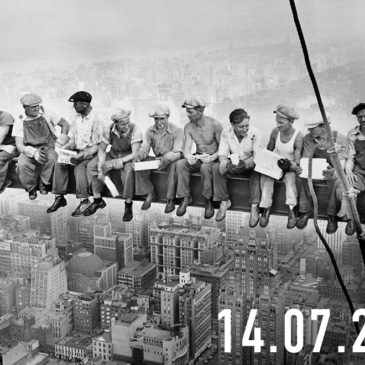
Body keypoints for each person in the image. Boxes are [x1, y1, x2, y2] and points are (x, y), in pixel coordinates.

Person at [47, 91, 104, 216]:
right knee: (60, 162)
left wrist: (84, 154)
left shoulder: (97, 119)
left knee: (79, 167)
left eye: (76, 104)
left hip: (91, 153)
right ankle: (59, 197)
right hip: (78, 151)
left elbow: (98, 145)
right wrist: (67, 148)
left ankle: (84, 201)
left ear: (84, 104)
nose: (74, 107)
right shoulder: (76, 118)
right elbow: (73, 139)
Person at [86, 107, 143, 221]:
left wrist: (115, 163)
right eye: (122, 124)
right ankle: (98, 199)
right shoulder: (109, 129)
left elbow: (134, 153)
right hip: (113, 153)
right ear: (115, 123)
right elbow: (102, 149)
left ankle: (128, 204)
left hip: (127, 157)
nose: (126, 126)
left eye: (127, 123)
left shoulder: (135, 129)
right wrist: (101, 164)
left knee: (128, 172)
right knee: (92, 166)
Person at [13, 93, 70, 200]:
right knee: (22, 164)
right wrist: (34, 152)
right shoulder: (20, 120)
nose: (36, 108)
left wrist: (59, 142)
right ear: (25, 107)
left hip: (49, 144)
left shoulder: (46, 112)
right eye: (33, 107)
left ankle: (44, 183)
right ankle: (31, 188)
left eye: (37, 105)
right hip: (30, 147)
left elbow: (65, 124)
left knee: (52, 158)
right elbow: (19, 145)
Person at [296, 114, 346, 233]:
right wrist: (302, 167)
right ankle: (305, 210)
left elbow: (342, 165)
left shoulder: (339, 138)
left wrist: (333, 171)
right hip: (316, 168)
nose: (309, 130)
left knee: (335, 180)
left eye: (312, 128)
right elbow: (306, 158)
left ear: (323, 127)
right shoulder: (308, 138)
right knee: (302, 176)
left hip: (334, 170)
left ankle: (331, 215)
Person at [176, 97, 223, 219]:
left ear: (200, 111)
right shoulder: (188, 127)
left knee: (205, 167)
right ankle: (185, 197)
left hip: (213, 158)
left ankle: (208, 200)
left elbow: (223, 148)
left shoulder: (215, 124)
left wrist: (212, 157)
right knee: (181, 164)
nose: (187, 115)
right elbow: (187, 147)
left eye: (190, 112)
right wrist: (188, 157)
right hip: (199, 156)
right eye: (187, 111)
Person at [213, 108, 262, 224]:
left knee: (257, 171)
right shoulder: (226, 133)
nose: (245, 129)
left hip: (249, 164)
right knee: (216, 168)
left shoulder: (255, 133)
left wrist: (245, 164)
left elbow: (258, 156)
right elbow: (222, 155)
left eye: (247, 126)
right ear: (232, 125)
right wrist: (227, 164)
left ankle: (255, 205)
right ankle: (224, 201)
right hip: (234, 164)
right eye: (241, 127)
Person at [133, 103, 183, 213]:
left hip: (172, 159)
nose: (159, 122)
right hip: (158, 159)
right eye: (156, 119)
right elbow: (145, 148)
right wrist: (139, 156)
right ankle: (150, 192)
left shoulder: (177, 130)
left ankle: (170, 199)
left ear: (168, 117)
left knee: (174, 166)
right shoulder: (150, 131)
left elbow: (178, 152)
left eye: (162, 119)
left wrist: (165, 159)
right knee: (140, 165)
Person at [259, 105, 303, 229]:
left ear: (291, 122)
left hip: (289, 167)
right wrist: (265, 162)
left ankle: (292, 209)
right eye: (277, 122)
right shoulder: (275, 132)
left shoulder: (298, 136)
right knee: (266, 177)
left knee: (290, 181)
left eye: (281, 122)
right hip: (275, 164)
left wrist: (290, 165)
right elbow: (269, 149)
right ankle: (266, 207)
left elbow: (297, 159)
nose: (278, 125)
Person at [336, 103, 365, 235]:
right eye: (360, 117)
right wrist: (348, 172)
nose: (363, 120)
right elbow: (351, 157)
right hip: (360, 171)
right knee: (349, 186)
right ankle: (352, 219)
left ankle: (345, 213)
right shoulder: (352, 134)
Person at [0, 110, 19, 193]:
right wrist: (2, 146)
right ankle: (6, 181)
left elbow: (0, 138)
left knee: (0, 158)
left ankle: (2, 184)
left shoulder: (5, 116)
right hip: (3, 146)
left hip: (13, 145)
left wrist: (2, 146)